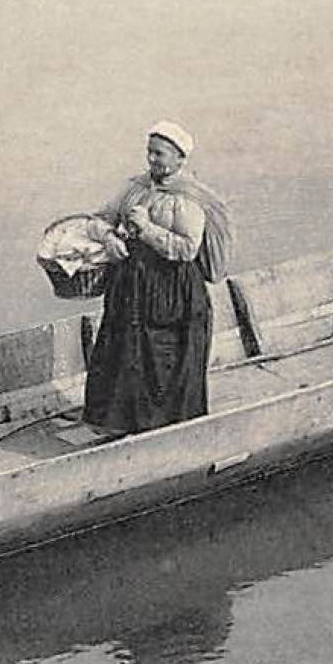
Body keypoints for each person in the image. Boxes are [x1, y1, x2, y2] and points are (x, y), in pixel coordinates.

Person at [83, 121, 231, 434]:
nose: (152, 159)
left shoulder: (188, 198)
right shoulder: (135, 187)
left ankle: (165, 427)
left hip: (172, 289)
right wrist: (109, 236)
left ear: (180, 159)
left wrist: (147, 229)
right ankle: (122, 423)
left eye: (160, 154)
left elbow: (187, 249)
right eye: (149, 152)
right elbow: (98, 219)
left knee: (162, 354)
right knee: (124, 347)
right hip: (133, 284)